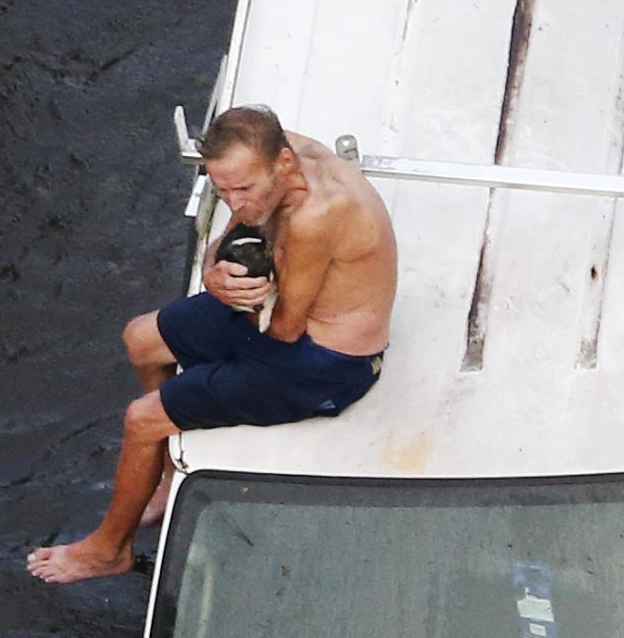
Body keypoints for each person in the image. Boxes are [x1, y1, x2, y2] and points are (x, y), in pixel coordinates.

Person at [27, 106, 397, 583]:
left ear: (283, 165)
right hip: (277, 318)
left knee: (143, 419)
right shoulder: (281, 149)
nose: (234, 201)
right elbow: (239, 229)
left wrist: (226, 304)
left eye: (244, 189)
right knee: (141, 338)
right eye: (222, 189)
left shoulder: (315, 217)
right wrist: (213, 271)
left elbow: (283, 330)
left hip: (324, 361)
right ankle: (161, 478)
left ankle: (107, 550)